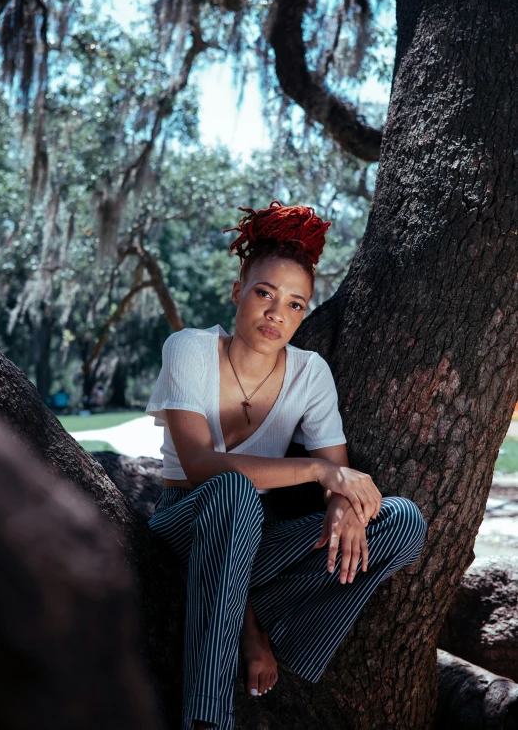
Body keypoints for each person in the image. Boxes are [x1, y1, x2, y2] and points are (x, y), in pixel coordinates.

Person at [146, 200, 427, 730]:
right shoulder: (189, 349)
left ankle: (267, 627)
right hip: (185, 522)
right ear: (238, 292)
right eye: (265, 294)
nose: (278, 313)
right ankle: (207, 717)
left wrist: (342, 501)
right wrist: (322, 474)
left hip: (255, 544)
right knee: (233, 494)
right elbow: (204, 465)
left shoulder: (310, 374)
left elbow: (341, 482)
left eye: (296, 305)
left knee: (401, 522)